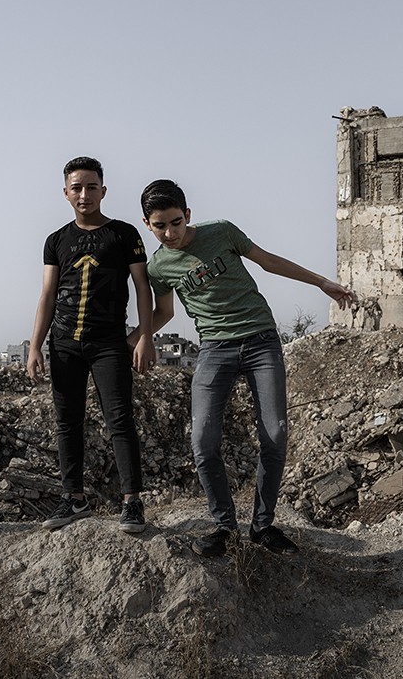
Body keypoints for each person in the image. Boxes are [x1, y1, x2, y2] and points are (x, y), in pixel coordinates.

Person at [136, 178, 356, 557]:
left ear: (187, 214)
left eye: (176, 222)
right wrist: (135, 339)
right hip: (214, 349)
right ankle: (224, 527)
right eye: (160, 226)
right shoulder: (158, 267)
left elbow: (268, 261)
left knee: (276, 433)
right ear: (147, 224)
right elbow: (165, 312)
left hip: (260, 341)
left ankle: (262, 526)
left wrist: (321, 282)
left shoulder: (221, 231)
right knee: (203, 441)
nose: (170, 233)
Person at [27, 156, 155, 534]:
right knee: (67, 422)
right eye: (77, 188)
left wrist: (146, 336)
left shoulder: (124, 234)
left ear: (103, 190)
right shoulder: (56, 241)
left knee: (120, 419)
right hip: (64, 343)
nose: (84, 194)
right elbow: (48, 295)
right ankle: (74, 498)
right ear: (66, 193)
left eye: (91, 187)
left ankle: (132, 501)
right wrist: (35, 346)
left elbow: (142, 288)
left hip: (109, 342)